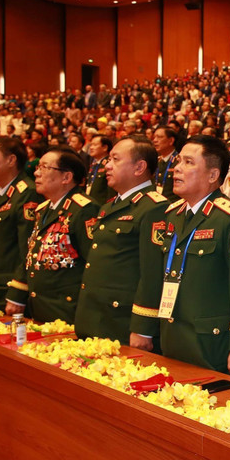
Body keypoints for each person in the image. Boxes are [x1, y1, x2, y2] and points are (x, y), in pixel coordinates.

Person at [130, 136, 230, 374]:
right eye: (178, 161)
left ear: (213, 176)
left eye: (188, 162)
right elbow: (155, 277)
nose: (177, 168)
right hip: (172, 335)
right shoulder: (172, 214)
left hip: (210, 342)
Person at [73, 136, 167, 343]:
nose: (107, 165)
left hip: (121, 321)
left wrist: (144, 327)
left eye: (115, 159)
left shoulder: (154, 207)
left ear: (139, 167)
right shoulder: (108, 207)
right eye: (108, 159)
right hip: (94, 315)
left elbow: (152, 273)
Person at [5, 147, 99, 323]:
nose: (36, 172)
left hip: (68, 311)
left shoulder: (84, 210)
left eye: (44, 167)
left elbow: (93, 265)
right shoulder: (44, 209)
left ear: (66, 177)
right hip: (41, 308)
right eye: (38, 167)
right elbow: (32, 254)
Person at [0, 137, 42, 308]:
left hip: (8, 291)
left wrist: (18, 291)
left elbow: (28, 247)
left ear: (11, 160)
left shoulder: (27, 193)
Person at [152, 126, 179, 201]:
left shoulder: (179, 162)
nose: (155, 140)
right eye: (154, 137)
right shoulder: (156, 161)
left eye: (159, 137)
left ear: (171, 141)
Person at [85, 135, 112, 204]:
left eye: (95, 145)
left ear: (105, 147)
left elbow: (111, 191)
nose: (91, 148)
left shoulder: (109, 164)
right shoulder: (94, 163)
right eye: (91, 145)